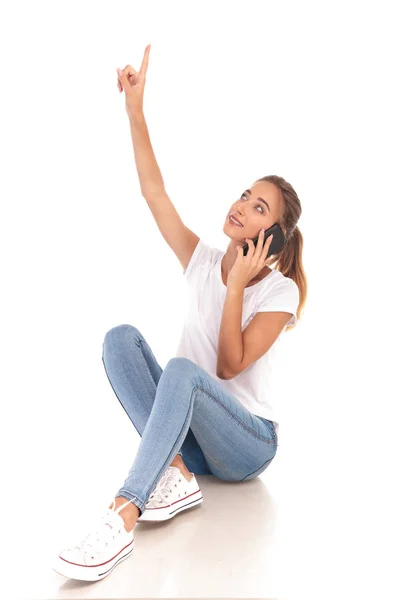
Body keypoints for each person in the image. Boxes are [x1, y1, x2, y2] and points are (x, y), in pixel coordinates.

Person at [53, 45, 307, 582]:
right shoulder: (201, 260)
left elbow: (230, 367)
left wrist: (238, 285)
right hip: (190, 438)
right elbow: (154, 193)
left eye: (259, 208)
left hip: (246, 446)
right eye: (245, 195)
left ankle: (122, 515)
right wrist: (136, 110)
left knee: (184, 372)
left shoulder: (278, 293)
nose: (241, 205)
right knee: (119, 337)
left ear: (275, 237)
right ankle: (175, 471)